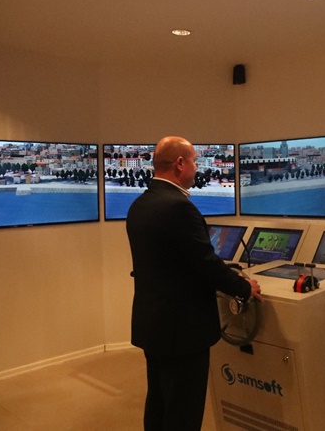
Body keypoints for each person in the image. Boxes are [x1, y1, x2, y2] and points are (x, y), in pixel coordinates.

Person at [126, 136, 262, 431]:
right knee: (183, 411)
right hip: (183, 331)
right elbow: (205, 263)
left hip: (153, 324)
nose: (197, 168)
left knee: (159, 402)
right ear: (180, 164)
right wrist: (243, 287)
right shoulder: (179, 207)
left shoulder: (140, 204)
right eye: (195, 162)